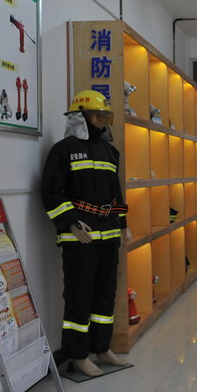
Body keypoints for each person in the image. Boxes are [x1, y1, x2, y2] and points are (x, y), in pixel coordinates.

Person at [41, 90, 129, 377]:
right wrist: (70, 223)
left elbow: (116, 192)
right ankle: (78, 354)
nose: (102, 121)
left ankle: (102, 348)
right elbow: (52, 191)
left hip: (108, 235)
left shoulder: (109, 152)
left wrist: (122, 225)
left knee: (105, 294)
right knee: (79, 295)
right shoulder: (63, 150)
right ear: (81, 116)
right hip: (80, 237)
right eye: (98, 115)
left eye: (105, 116)